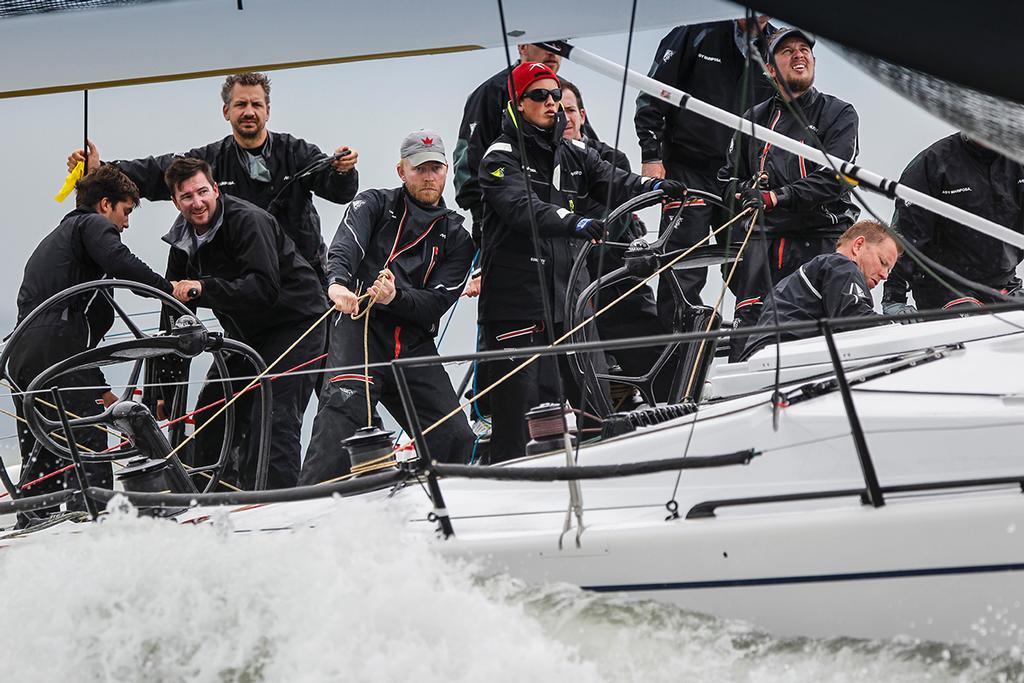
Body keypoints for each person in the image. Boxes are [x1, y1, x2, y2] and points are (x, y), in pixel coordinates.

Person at [477, 62, 687, 460]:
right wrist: (576, 222)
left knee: (588, 403)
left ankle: (595, 469)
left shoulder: (574, 152)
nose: (551, 103)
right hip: (517, 307)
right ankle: (508, 480)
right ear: (518, 104)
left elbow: (615, 179)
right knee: (518, 413)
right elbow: (523, 208)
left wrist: (657, 185)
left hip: (569, 301)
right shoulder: (498, 156)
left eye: (555, 95)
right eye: (540, 96)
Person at [299, 131, 475, 484]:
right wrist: (336, 285)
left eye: (435, 168)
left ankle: (432, 511)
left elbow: (436, 303)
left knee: (456, 437)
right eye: (419, 168)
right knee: (339, 428)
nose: (428, 176)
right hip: (360, 330)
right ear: (401, 171)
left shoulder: (458, 237)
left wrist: (395, 298)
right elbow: (346, 247)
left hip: (412, 342)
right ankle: (301, 514)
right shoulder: (374, 204)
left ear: (445, 172)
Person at [68, 72, 359, 284]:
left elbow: (337, 190)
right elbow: (159, 172)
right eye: (240, 105)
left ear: (267, 111)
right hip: (246, 281)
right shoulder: (209, 162)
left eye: (256, 105)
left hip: (302, 277)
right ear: (226, 111)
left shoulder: (296, 152)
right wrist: (101, 168)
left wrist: (343, 170)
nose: (248, 112)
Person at [9, 165, 172, 519]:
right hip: (55, 350)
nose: (125, 225)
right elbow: (119, 261)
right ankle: (97, 521)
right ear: (104, 205)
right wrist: (167, 289)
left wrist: (101, 389)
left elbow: (80, 338)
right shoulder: (91, 224)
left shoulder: (62, 239)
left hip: (22, 356)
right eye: (125, 212)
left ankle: (37, 521)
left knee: (44, 449)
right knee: (90, 439)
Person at [160, 157, 326, 489]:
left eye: (202, 192)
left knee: (274, 416)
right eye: (187, 197)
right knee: (211, 416)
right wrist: (164, 392)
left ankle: (275, 503)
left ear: (216, 190)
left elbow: (263, 289)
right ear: (175, 202)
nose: (197, 203)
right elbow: (173, 316)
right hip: (246, 335)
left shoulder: (250, 221)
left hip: (297, 324)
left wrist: (203, 288)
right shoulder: (181, 240)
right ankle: (212, 500)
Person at [720, 27, 861, 359]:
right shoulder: (751, 120)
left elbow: (837, 178)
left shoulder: (839, 113)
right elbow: (726, 181)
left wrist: (776, 197)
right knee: (748, 345)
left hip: (820, 242)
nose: (799, 55)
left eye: (805, 49)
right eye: (787, 51)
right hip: (763, 249)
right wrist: (745, 192)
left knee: (821, 344)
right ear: (770, 69)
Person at [635, 16, 776, 320]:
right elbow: (652, 93)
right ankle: (675, 354)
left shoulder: (779, 45)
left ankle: (754, 341)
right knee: (684, 266)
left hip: (741, 178)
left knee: (749, 266)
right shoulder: (694, 31)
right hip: (689, 169)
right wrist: (651, 156)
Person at [454, 43, 598, 287]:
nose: (554, 51)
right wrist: (483, 223)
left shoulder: (562, 89)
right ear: (522, 46)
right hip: (508, 231)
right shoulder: (490, 92)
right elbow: (466, 166)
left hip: (568, 233)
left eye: (561, 43)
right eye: (546, 43)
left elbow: (589, 153)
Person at [561, 79, 665, 390]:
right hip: (565, 286)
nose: (565, 118)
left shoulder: (611, 159)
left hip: (615, 277)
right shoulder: (539, 165)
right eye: (558, 111)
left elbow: (615, 220)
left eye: (570, 110)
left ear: (582, 114)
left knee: (648, 351)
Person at [882, 132, 1024, 313]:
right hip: (942, 286)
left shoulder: (1019, 159)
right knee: (969, 323)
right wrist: (894, 297)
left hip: (1002, 282)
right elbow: (905, 235)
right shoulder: (932, 162)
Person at [741, 220, 900, 359]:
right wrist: (900, 329)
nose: (885, 275)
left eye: (889, 271)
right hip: (782, 358)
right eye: (882, 262)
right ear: (858, 245)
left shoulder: (800, 279)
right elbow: (853, 318)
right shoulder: (842, 267)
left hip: (761, 357)